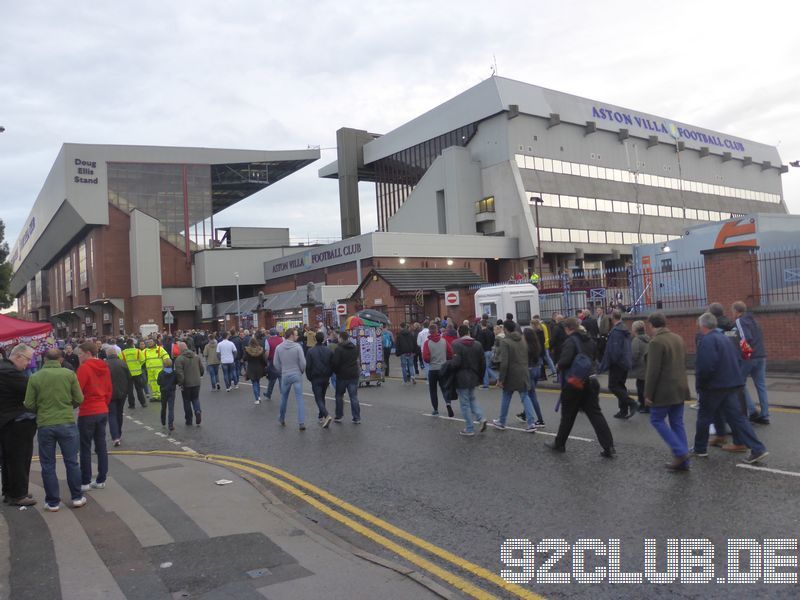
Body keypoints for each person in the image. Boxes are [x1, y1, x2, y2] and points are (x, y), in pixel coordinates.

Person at [692, 312, 769, 465]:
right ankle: (757, 448)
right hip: (730, 384)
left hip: (713, 386)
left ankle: (699, 449)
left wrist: (700, 385)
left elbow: (705, 366)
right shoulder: (725, 337)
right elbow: (736, 357)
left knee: (704, 417)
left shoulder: (707, 340)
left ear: (703, 326)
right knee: (738, 418)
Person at [25, 347, 86, 511]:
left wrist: (41, 410)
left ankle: (52, 502)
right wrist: (68, 407)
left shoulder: (35, 378)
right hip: (66, 421)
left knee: (48, 464)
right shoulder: (69, 374)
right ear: (60, 359)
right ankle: (77, 497)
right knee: (72, 462)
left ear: (44, 360)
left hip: (45, 423)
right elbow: (79, 398)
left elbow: (29, 404)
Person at [545, 317, 615, 457]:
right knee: (595, 414)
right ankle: (609, 447)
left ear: (567, 328)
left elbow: (564, 362)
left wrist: (558, 365)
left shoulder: (570, 341)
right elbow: (594, 357)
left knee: (568, 416)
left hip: (573, 383)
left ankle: (559, 444)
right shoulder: (589, 340)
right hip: (590, 380)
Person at [643, 313, 691, 471]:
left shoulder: (656, 342)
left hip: (664, 390)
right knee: (677, 422)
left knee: (656, 420)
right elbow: (684, 362)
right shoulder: (677, 337)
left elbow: (653, 371)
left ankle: (681, 452)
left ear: (651, 325)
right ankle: (684, 462)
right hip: (680, 387)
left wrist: (648, 394)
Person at [0, 344, 37, 506]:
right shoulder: (11, 373)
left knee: (9, 459)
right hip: (17, 421)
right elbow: (31, 389)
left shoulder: (4, 369)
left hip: (7, 420)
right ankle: (18, 494)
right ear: (18, 356)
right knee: (20, 458)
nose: (28, 363)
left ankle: (10, 491)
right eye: (28, 359)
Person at [76, 341, 113, 491]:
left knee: (85, 447)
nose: (78, 357)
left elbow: (77, 390)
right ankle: (101, 479)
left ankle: (85, 481)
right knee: (101, 445)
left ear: (88, 353)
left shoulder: (84, 368)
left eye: (79, 354)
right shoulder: (104, 367)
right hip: (102, 409)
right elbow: (109, 389)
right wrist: (104, 403)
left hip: (88, 410)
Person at [491, 321, 537, 432]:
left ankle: (501, 422)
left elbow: (504, 362)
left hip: (511, 374)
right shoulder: (522, 339)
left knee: (506, 396)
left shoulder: (505, 341)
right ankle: (531, 423)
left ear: (505, 329)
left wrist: (501, 379)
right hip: (523, 371)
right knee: (525, 397)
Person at [732, 301, 770, 424]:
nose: (732, 313)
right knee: (761, 385)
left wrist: (744, 354)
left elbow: (745, 337)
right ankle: (765, 415)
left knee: (739, 383)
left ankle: (752, 410)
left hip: (750, 357)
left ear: (736, 311)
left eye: (732, 311)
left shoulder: (739, 320)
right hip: (761, 355)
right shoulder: (754, 320)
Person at [599, 309, 638, 419]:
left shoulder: (616, 331)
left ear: (612, 317)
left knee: (613, 386)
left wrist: (608, 363)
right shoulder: (624, 328)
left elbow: (614, 350)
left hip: (617, 363)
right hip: (625, 362)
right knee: (620, 386)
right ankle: (623, 410)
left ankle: (632, 403)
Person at [450, 324, 487, 436]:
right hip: (474, 376)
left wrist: (449, 367)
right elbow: (483, 363)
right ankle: (481, 418)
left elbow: (456, 363)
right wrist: (480, 377)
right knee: (472, 399)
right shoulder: (478, 344)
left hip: (461, 377)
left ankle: (469, 428)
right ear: (469, 333)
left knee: (465, 403)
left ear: (458, 333)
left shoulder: (456, 344)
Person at [274, 328, 307, 429]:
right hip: (296, 373)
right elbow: (303, 363)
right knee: (299, 398)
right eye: (295, 335)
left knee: (284, 397)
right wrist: (301, 371)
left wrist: (282, 370)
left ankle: (282, 418)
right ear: (291, 335)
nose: (297, 336)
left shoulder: (279, 347)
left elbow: (276, 363)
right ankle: (301, 422)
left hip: (285, 374)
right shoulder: (297, 347)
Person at [422, 324, 454, 416]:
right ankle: (448, 403)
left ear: (429, 332)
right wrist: (445, 358)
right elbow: (450, 353)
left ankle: (435, 409)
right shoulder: (444, 341)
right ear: (437, 331)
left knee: (433, 390)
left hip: (432, 369)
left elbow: (425, 358)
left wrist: (432, 359)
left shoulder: (427, 343)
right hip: (443, 368)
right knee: (444, 388)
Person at [331, 331, 362, 424]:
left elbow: (335, 363)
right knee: (354, 397)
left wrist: (336, 372)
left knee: (339, 396)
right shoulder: (355, 348)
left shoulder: (338, 349)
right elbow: (357, 360)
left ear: (341, 338)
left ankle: (339, 416)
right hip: (353, 375)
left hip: (342, 376)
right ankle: (356, 417)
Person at [306, 331, 333, 428]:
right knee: (322, 396)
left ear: (315, 339)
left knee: (318, 398)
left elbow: (308, 366)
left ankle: (326, 415)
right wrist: (330, 373)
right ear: (324, 339)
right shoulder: (329, 350)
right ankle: (321, 416)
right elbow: (331, 364)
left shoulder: (310, 351)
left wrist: (309, 377)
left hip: (315, 377)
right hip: (326, 376)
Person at [519, 327, 545, 426]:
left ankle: (540, 420)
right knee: (530, 394)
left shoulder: (526, 347)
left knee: (531, 395)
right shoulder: (536, 345)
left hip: (529, 371)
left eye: (523, 335)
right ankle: (525, 414)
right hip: (537, 369)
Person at [105, 347, 131, 447]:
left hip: (110, 393)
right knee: (119, 413)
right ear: (116, 353)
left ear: (107, 354)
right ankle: (119, 434)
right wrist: (128, 391)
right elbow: (129, 378)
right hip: (122, 393)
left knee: (111, 414)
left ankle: (115, 436)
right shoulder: (123, 363)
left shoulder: (105, 365)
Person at [174, 342, 204, 426]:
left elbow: (180, 373)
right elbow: (202, 369)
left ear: (180, 349)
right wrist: (199, 375)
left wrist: (180, 383)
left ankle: (189, 419)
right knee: (195, 398)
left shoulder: (179, 359)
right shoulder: (196, 356)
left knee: (186, 401)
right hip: (196, 382)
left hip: (186, 383)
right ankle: (197, 411)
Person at [630, 321, 650, 414]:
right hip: (648, 367)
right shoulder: (648, 338)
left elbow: (634, 355)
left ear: (635, 330)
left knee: (640, 387)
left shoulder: (636, 340)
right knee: (646, 387)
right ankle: (647, 406)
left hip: (640, 369)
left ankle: (643, 406)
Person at [121, 339, 147, 408]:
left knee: (130, 390)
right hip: (137, 372)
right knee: (139, 389)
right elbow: (142, 360)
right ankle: (143, 403)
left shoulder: (123, 352)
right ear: (133, 344)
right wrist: (139, 365)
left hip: (128, 373)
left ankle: (131, 405)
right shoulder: (137, 351)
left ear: (126, 344)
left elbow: (121, 362)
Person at [157, 357, 178, 431]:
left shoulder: (161, 373)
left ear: (163, 365)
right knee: (171, 408)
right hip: (171, 391)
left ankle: (163, 421)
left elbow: (158, 382)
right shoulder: (174, 373)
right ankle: (170, 425)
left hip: (163, 392)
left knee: (163, 407)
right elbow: (176, 381)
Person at [244, 337, 266, 405]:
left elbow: (244, 358)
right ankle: (259, 396)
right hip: (259, 367)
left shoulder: (247, 350)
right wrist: (265, 365)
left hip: (251, 368)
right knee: (258, 382)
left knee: (254, 383)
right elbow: (263, 360)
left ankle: (257, 398)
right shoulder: (260, 349)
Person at [475, 318, 496, 388]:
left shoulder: (481, 333)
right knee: (488, 367)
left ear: (481, 324)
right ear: (486, 324)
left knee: (486, 368)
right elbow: (493, 341)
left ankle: (494, 379)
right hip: (490, 351)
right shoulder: (490, 332)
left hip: (484, 351)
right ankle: (487, 382)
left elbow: (480, 343)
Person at [263, 328, 284, 400]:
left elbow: (267, 352)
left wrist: (266, 360)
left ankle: (268, 394)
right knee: (281, 377)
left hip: (272, 361)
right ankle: (283, 394)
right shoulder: (282, 339)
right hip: (281, 360)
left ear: (270, 334)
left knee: (272, 379)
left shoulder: (268, 340)